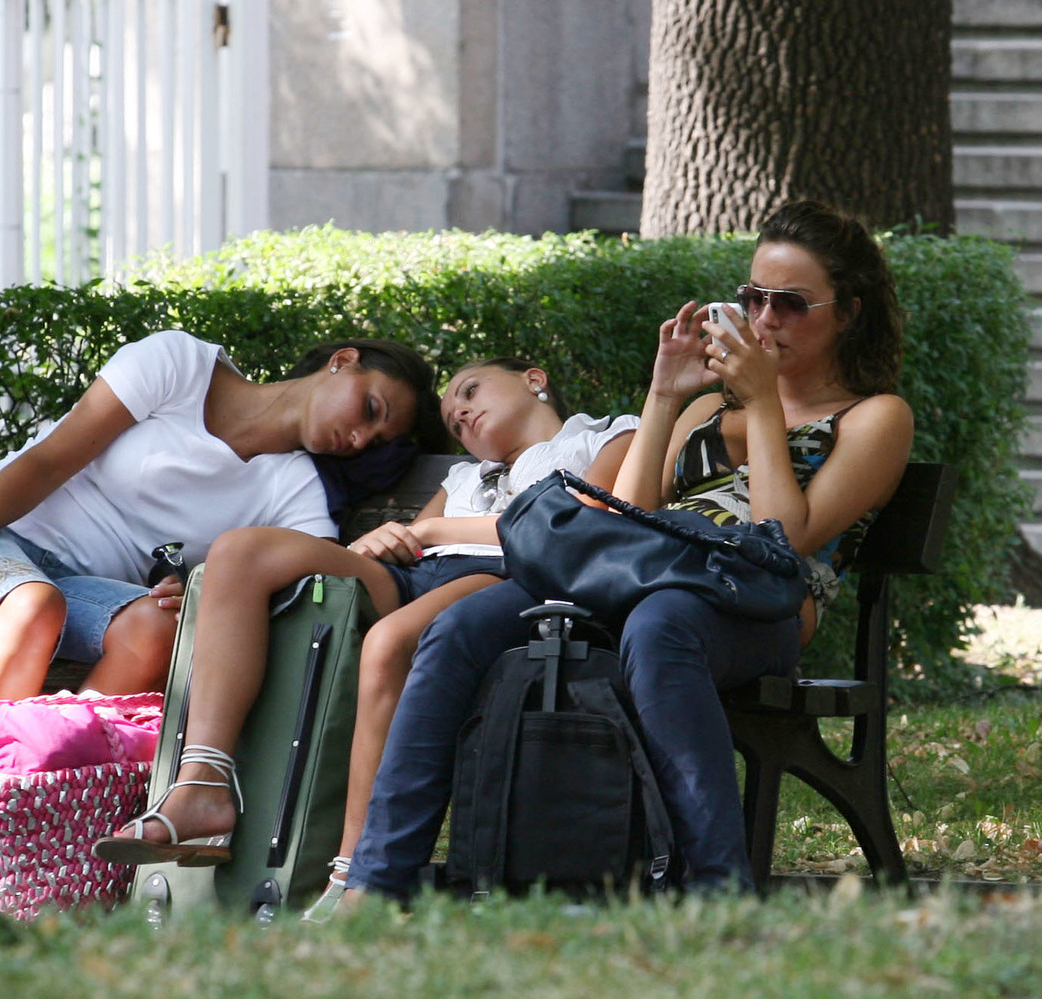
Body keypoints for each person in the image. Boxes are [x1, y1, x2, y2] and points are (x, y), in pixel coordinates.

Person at [338, 200, 915, 904]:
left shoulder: (875, 418)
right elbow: (628, 514)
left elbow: (782, 540)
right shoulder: (707, 410)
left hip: (756, 606)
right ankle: (375, 883)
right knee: (457, 628)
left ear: (848, 312)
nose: (765, 320)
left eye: (790, 303)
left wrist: (764, 402)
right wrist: (665, 396)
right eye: (753, 298)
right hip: (640, 577)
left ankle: (718, 894)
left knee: (660, 624)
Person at [0, 329, 443, 908]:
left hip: (77, 592)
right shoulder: (181, 367)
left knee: (156, 629)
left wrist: (200, 590)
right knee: (33, 605)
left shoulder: (295, 490)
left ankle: (30, 822)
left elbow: (314, 592)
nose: (359, 438)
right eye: (370, 409)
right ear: (342, 361)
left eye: (375, 441)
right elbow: (52, 458)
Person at [91, 359, 638, 899]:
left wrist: (429, 529)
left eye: (470, 391)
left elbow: (580, 519)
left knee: (389, 641)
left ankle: (352, 871)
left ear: (535, 379)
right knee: (240, 551)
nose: (461, 415)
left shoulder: (600, 438)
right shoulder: (464, 476)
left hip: (504, 576)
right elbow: (412, 543)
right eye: (452, 421)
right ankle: (203, 782)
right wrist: (378, 542)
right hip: (416, 575)